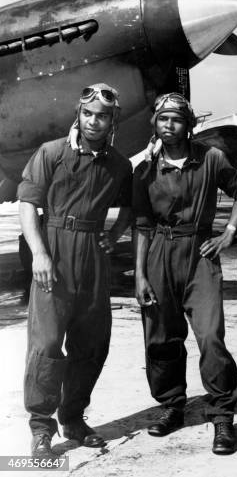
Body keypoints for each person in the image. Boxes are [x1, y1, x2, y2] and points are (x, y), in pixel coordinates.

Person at [18, 84, 132, 458]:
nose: (93, 122)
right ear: (78, 115)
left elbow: (130, 206)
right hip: (54, 250)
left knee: (91, 343)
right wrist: (40, 254)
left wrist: (114, 235)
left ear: (111, 119)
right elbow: (27, 205)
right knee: (48, 345)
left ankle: (74, 417)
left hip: (93, 257)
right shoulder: (51, 152)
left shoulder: (119, 164)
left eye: (101, 115)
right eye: (88, 114)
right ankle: (41, 429)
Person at [132, 93, 237, 455]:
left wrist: (228, 232)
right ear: (155, 123)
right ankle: (171, 406)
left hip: (199, 253)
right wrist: (140, 274)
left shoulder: (211, 159)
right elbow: (141, 224)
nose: (169, 125)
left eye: (177, 119)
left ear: (190, 124)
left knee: (211, 336)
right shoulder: (145, 170)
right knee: (161, 338)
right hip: (158, 254)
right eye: (163, 119)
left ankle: (222, 415)